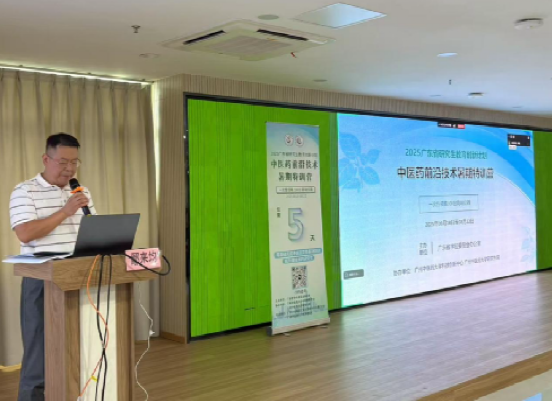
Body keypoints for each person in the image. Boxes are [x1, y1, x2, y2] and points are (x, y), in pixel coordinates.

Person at [9, 133, 97, 401]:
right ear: (46, 159)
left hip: (80, 276)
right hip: (43, 279)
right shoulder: (24, 191)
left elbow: (93, 232)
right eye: (63, 162)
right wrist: (65, 211)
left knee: (79, 349)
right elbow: (25, 233)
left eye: (74, 162)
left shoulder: (81, 191)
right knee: (39, 354)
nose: (70, 168)